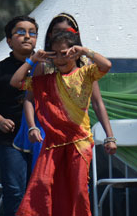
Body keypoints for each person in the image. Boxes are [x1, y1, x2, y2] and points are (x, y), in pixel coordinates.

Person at [10, 30, 112, 216]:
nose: (59, 58)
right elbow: (16, 82)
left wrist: (85, 51)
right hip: (53, 143)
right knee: (42, 185)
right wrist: (33, 60)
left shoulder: (85, 74)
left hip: (79, 143)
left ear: (74, 53)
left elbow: (106, 65)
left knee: (79, 190)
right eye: (54, 54)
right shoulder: (45, 81)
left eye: (64, 53)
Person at [27, 13, 116, 156]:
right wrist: (32, 127)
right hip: (48, 134)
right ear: (50, 35)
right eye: (57, 32)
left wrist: (110, 136)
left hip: (78, 136)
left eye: (66, 32)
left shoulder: (85, 65)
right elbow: (29, 99)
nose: (61, 36)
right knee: (45, 171)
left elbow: (97, 102)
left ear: (75, 36)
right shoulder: (43, 66)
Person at [0, 15, 39, 216]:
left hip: (42, 137)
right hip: (10, 139)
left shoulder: (46, 65)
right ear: (9, 41)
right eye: (20, 32)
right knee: (15, 191)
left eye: (32, 33)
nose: (27, 36)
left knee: (42, 189)